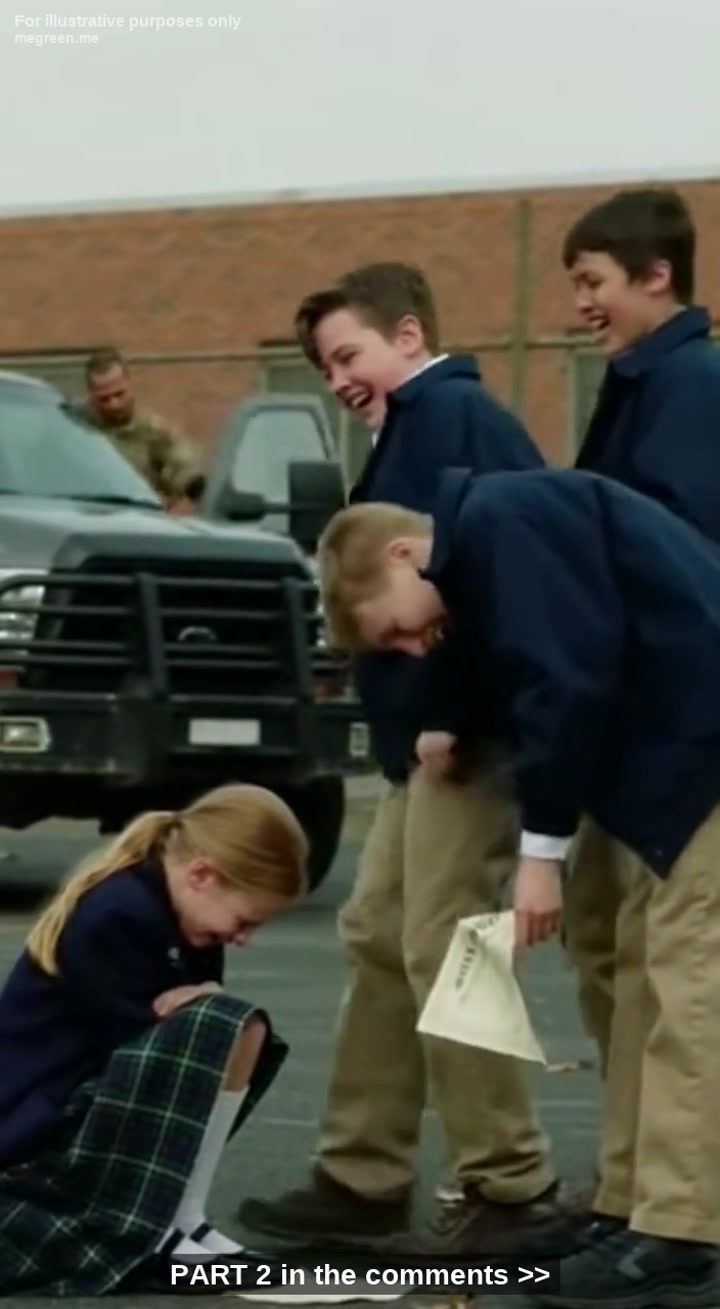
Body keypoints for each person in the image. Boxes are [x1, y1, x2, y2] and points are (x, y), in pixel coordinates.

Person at [315, 465, 720, 1307]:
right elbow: (512, 648)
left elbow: (563, 677)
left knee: (688, 984)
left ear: (404, 554)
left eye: (395, 630)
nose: (410, 647)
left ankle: (682, 1229)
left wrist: (542, 853)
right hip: (673, 756)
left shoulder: (505, 523)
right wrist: (446, 714)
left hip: (699, 744)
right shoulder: (490, 546)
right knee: (643, 979)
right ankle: (633, 1205)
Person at [238, 262, 571, 1259]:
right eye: (326, 366)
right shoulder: (410, 429)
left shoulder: (453, 420)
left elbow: (492, 574)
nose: (339, 377)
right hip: (418, 749)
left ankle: (512, 1182)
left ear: (411, 336)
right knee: (379, 933)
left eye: (350, 353)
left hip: (463, 745)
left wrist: (451, 710)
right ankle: (362, 1173)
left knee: (445, 943)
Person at [0, 782, 387, 1301]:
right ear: (201, 875)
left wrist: (201, 999)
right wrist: (197, 1004)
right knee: (220, 1023)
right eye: (244, 921)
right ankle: (166, 1230)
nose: (242, 938)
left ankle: (186, 1219)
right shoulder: (116, 911)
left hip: (74, 1109)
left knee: (239, 1025)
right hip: (26, 1132)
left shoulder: (185, 919)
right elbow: (136, 1049)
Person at [561, 186, 720, 1078]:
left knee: (668, 966)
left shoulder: (687, 388)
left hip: (677, 732)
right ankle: (632, 1152)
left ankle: (673, 1161)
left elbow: (677, 561)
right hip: (634, 730)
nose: (582, 303)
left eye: (594, 281)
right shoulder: (641, 384)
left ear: (656, 275)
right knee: (605, 942)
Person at [70, 346, 204, 510]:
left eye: (119, 394)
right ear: (90, 394)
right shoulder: (73, 425)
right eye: (104, 399)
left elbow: (180, 463)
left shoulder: (151, 429)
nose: (114, 404)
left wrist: (196, 488)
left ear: (128, 384)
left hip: (137, 513)